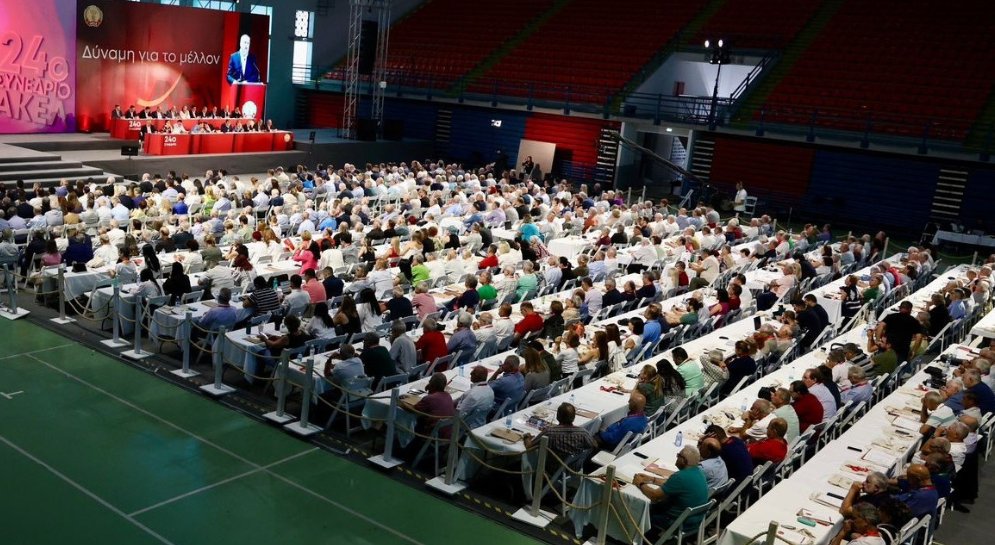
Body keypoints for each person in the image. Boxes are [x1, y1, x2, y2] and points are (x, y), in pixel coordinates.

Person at [633, 445, 710, 534]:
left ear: (684, 460)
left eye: (678, 455)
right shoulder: (699, 472)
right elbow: (672, 483)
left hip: (677, 522)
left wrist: (640, 483)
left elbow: (654, 496)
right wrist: (652, 479)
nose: (676, 457)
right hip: (695, 521)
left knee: (640, 508)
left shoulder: (680, 477)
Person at [523, 402, 597, 460]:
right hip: (574, 467)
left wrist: (526, 436)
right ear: (574, 417)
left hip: (552, 468)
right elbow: (594, 445)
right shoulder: (583, 432)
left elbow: (529, 447)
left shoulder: (550, 432)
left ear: (557, 417)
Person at [408, 373, 456, 439]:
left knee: (416, 419)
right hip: (449, 434)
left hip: (434, 435)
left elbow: (412, 410)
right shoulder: (448, 395)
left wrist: (400, 402)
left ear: (432, 384)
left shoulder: (429, 399)